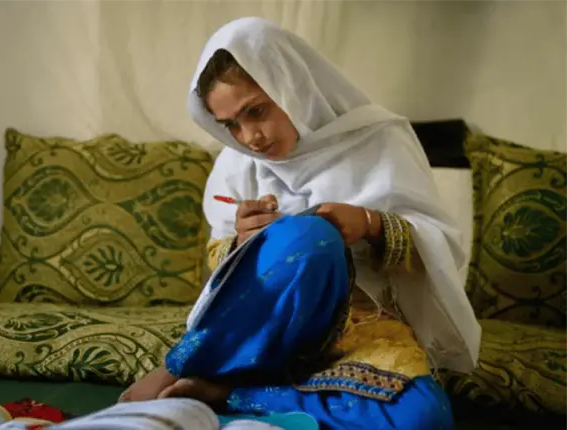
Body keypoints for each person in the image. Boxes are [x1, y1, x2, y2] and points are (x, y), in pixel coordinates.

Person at [119, 17, 481, 429]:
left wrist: (369, 223)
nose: (249, 137)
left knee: (423, 419)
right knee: (308, 236)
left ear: (290, 84)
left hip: (362, 324)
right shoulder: (239, 164)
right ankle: (185, 365)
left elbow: (442, 249)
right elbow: (220, 266)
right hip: (268, 329)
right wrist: (241, 241)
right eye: (232, 125)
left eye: (255, 111)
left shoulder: (379, 139)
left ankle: (231, 393)